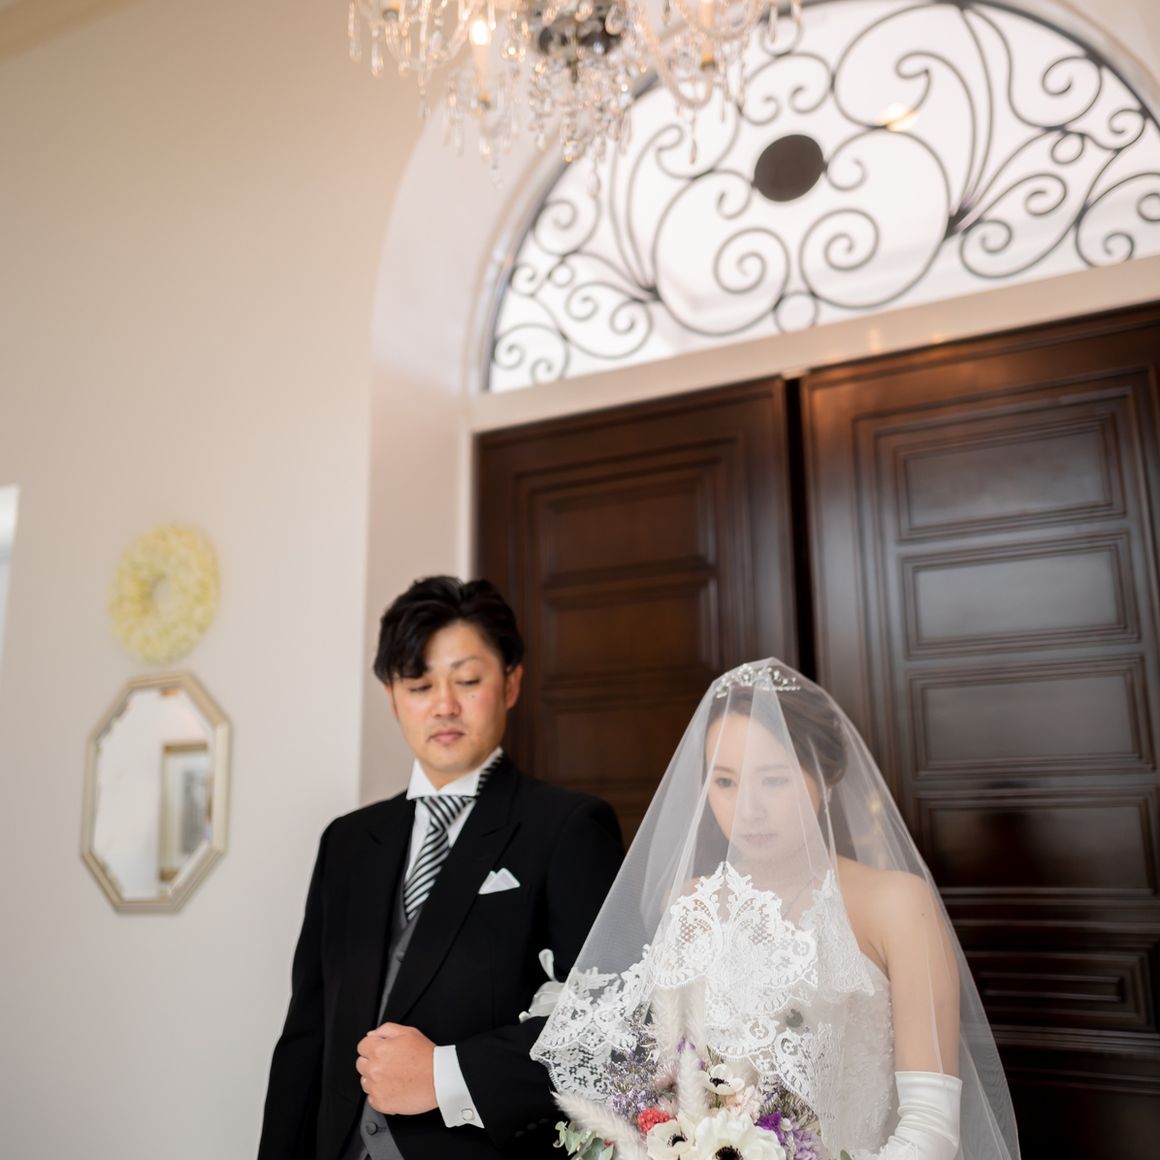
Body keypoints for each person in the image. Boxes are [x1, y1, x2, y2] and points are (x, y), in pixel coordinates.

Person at [532, 660, 1020, 1160]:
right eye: (725, 782)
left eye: (774, 780)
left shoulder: (895, 903)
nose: (748, 810)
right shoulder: (691, 902)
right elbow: (663, 1079)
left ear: (826, 778)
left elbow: (931, 1128)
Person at [258, 576, 624, 1160]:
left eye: (468, 680)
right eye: (419, 685)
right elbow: (307, 1037)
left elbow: (611, 1032)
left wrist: (446, 1074)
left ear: (510, 682)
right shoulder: (347, 842)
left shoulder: (568, 828)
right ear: (392, 697)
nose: (444, 705)